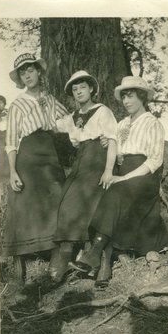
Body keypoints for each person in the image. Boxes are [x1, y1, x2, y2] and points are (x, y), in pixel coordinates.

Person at [72, 76, 168, 287]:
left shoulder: (153, 123)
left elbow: (155, 160)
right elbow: (116, 152)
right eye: (124, 97)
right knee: (99, 190)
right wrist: (108, 144)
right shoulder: (121, 124)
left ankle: (96, 252)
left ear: (142, 97)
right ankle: (104, 261)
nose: (126, 101)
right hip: (123, 170)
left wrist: (125, 177)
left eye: (131, 96)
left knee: (117, 191)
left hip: (144, 177)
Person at [1, 53, 68, 281]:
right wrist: (13, 171)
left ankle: (57, 255)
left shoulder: (49, 99)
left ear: (39, 72)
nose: (27, 75)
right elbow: (10, 141)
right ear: (20, 78)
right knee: (25, 201)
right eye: (23, 72)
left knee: (57, 197)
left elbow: (67, 120)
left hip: (49, 153)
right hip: (28, 156)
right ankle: (19, 258)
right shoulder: (17, 105)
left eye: (31, 70)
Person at [50, 70, 118, 283]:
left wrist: (108, 170)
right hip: (81, 161)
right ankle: (65, 253)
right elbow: (52, 124)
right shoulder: (72, 118)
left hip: (98, 160)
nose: (79, 92)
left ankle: (94, 257)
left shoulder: (102, 111)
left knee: (86, 199)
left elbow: (113, 140)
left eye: (82, 87)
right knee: (65, 200)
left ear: (91, 89)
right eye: (75, 89)